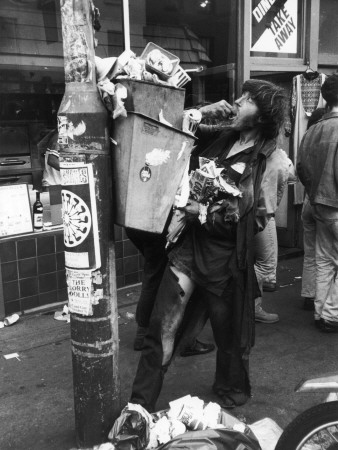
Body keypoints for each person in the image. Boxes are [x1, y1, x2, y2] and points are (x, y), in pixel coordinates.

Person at [129, 79, 290, 412]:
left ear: (262, 116)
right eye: (241, 95)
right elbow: (173, 131)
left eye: (247, 100)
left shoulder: (269, 159)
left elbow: (254, 218)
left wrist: (198, 211)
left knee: (228, 335)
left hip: (225, 262)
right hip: (188, 252)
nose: (237, 101)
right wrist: (203, 112)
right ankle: (139, 406)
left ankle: (230, 388)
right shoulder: (220, 136)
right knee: (163, 327)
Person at [297, 74, 338, 332]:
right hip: (335, 204)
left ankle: (321, 312)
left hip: (317, 203)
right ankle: (332, 315)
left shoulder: (312, 129)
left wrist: (314, 193)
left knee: (324, 259)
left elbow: (301, 167)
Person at [299, 108, 326, 311]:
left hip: (308, 200)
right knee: (327, 255)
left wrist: (309, 190)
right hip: (325, 203)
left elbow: (300, 168)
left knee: (310, 253)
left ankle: (309, 295)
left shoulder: (307, 138)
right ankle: (325, 303)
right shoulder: (330, 138)